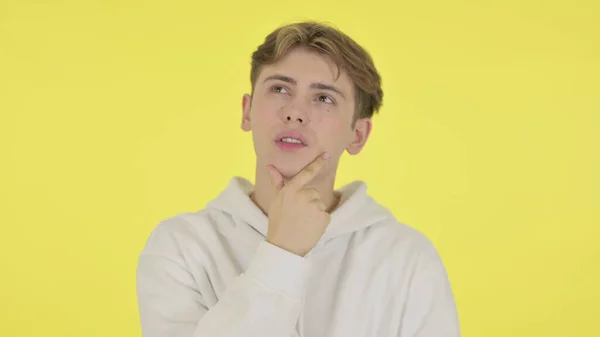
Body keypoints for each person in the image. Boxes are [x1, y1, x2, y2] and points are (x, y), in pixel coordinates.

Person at [136, 21, 460, 337]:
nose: (295, 112)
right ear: (247, 112)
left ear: (357, 135)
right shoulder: (180, 248)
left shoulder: (408, 259)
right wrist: (282, 253)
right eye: (279, 89)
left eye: (324, 98)